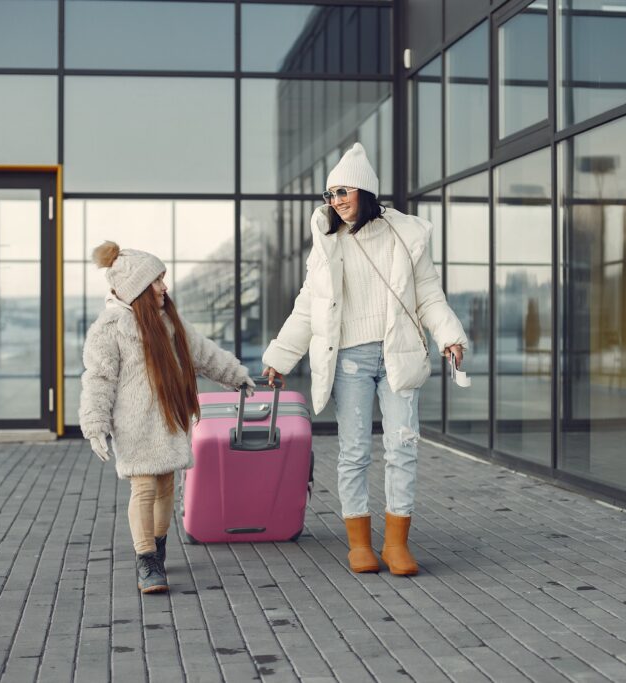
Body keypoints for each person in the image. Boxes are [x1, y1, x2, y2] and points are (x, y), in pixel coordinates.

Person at [262, 143, 468, 576]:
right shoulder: (326, 242)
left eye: (342, 192)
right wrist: (280, 357)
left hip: (398, 354)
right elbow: (308, 306)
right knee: (355, 451)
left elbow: (428, 294)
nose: (335, 201)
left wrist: (449, 336)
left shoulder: (405, 235)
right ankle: (359, 544)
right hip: (349, 361)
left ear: (365, 190)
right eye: (330, 195)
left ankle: (396, 545)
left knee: (402, 448)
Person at [79, 241, 255, 594]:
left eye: (163, 278)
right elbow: (98, 378)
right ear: (137, 288)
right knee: (143, 488)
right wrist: (95, 424)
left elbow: (203, 352)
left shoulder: (169, 321)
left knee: (164, 488)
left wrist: (235, 376)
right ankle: (146, 560)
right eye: (157, 280)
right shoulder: (109, 327)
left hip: (168, 419)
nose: (164, 286)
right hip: (134, 425)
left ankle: (157, 548)